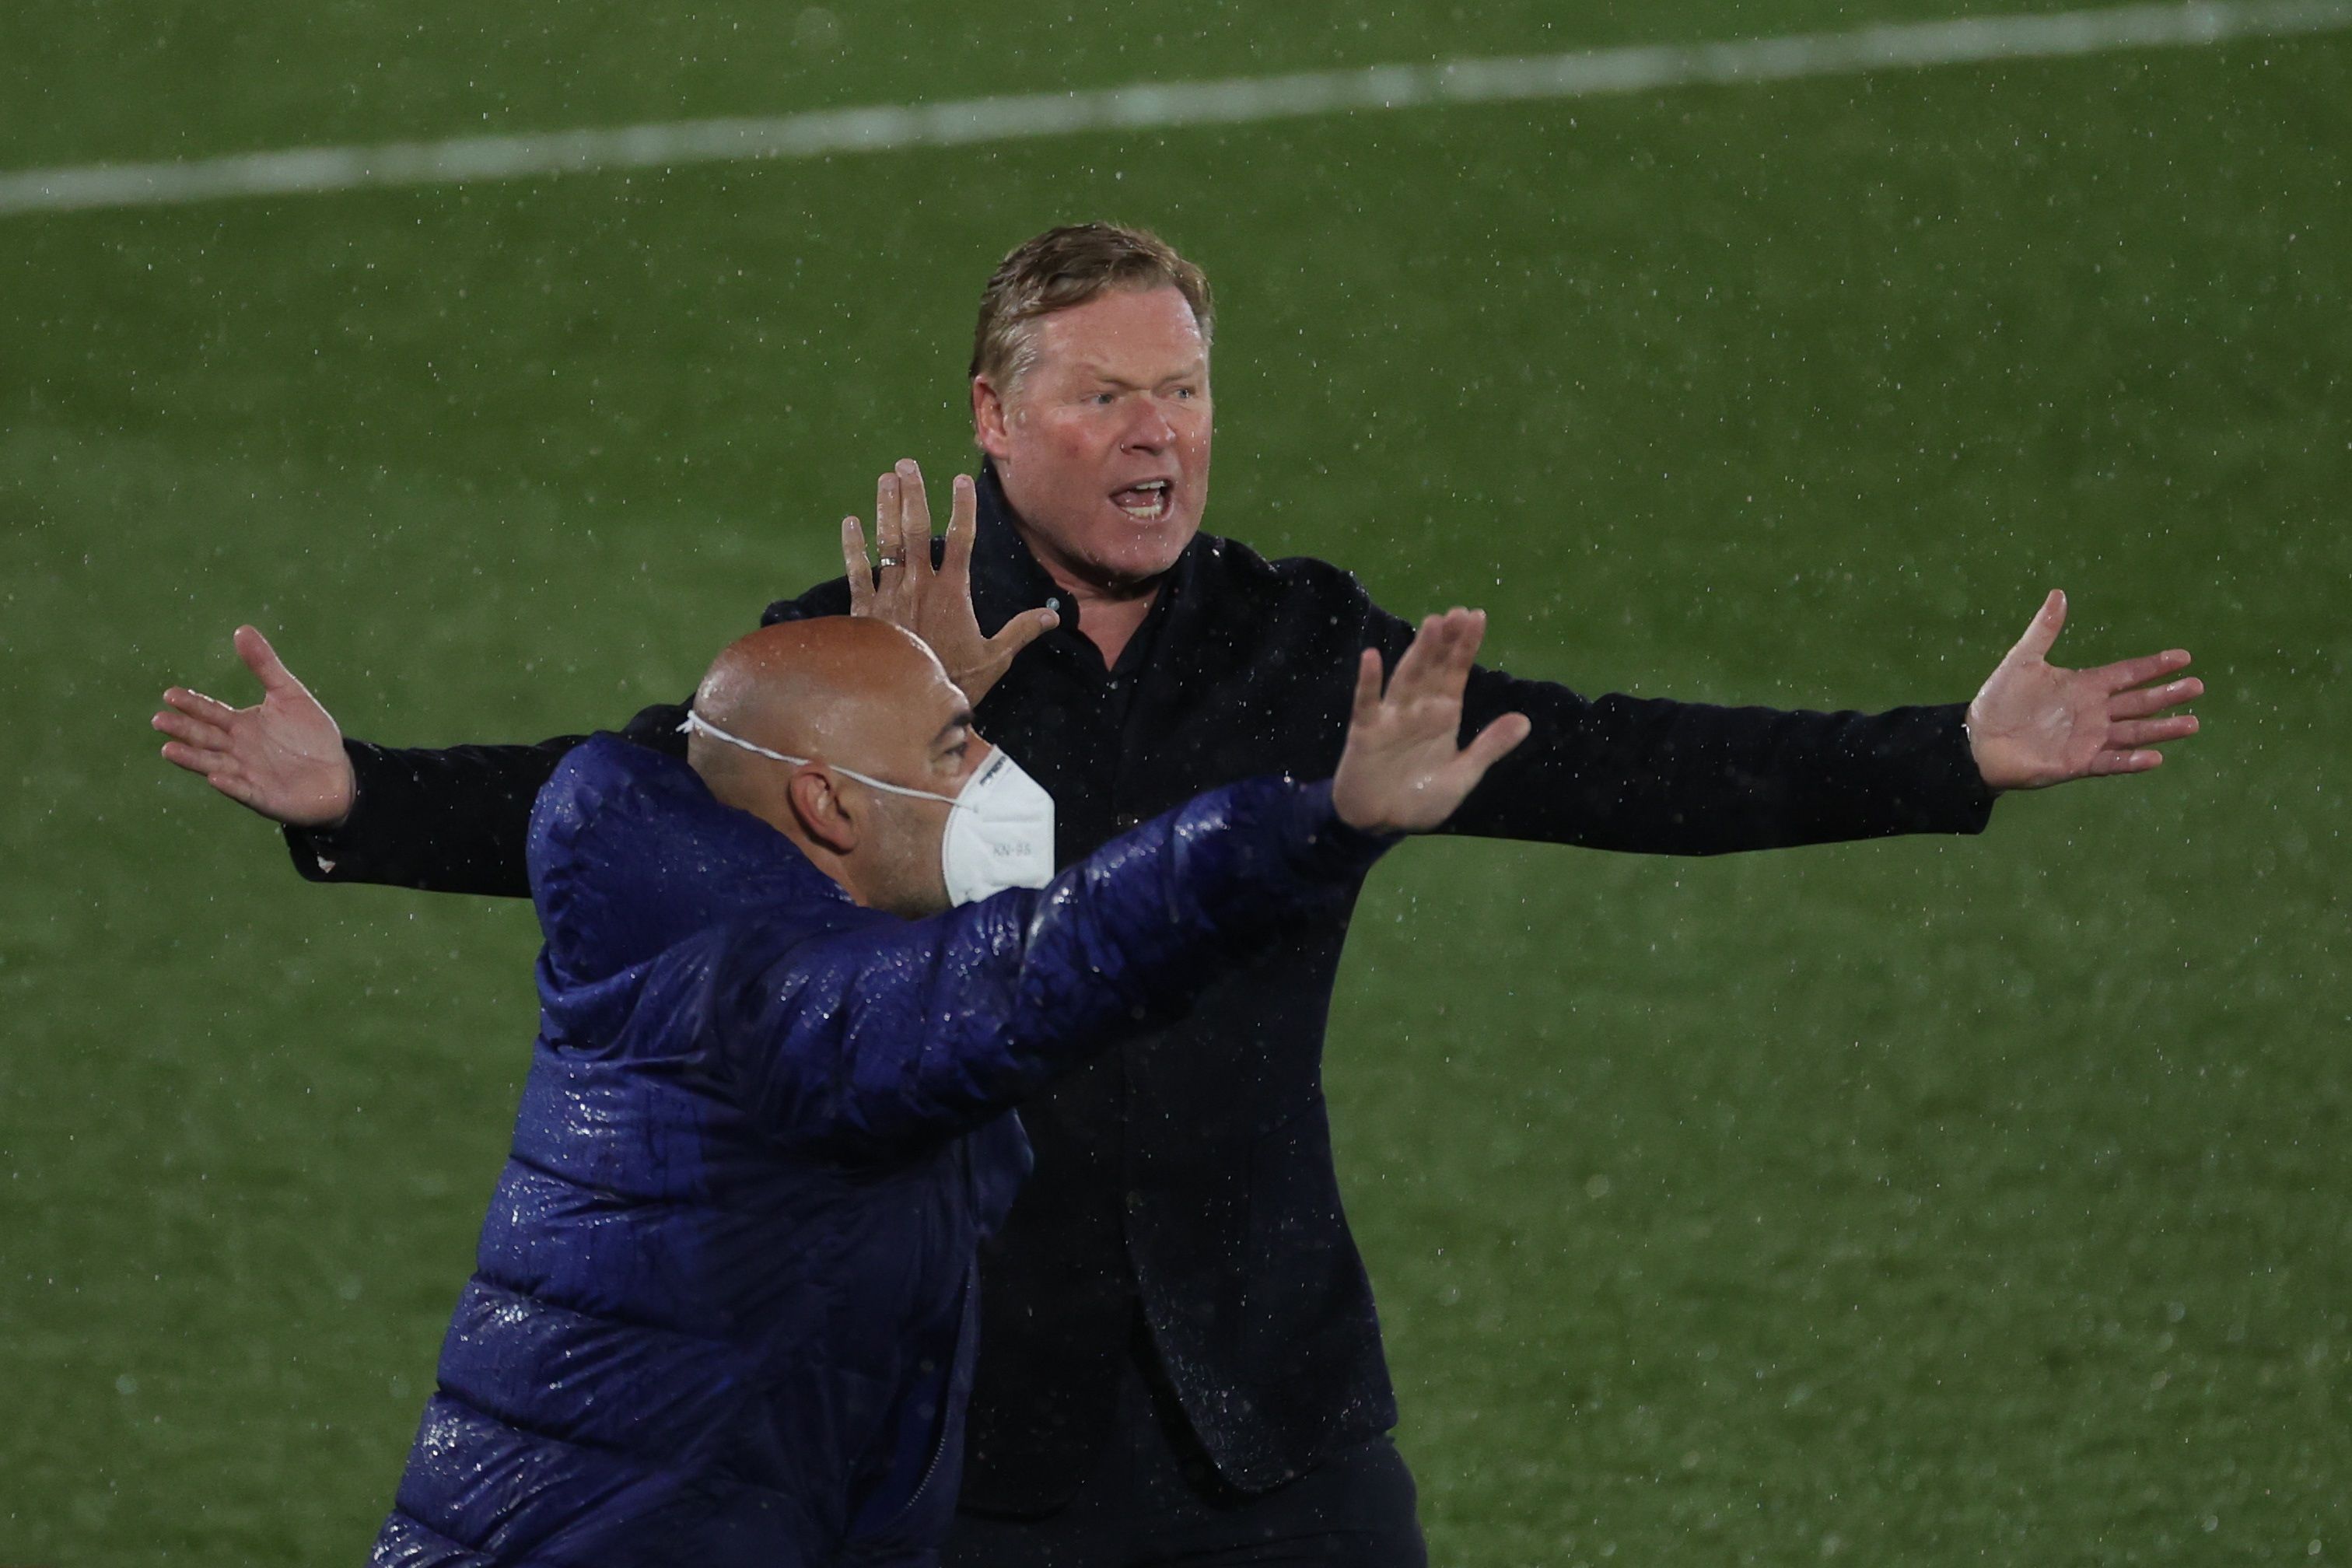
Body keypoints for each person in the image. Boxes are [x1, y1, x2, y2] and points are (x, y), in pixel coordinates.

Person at [155, 224, 2203, 1563]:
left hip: (1267, 1404)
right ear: (994, 417)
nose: (1158, 437)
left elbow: (1611, 758)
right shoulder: (879, 651)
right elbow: (643, 800)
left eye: (1186, 392)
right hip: (967, 1417)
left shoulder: (1308, 649)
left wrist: (1945, 749)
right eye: (1105, 395)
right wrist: (363, 796)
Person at [372, 608, 1527, 1567]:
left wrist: (897, 697)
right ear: (828, 805)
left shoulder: (672, 905)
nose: (997, 774)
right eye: (955, 746)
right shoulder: (797, 1014)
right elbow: (1048, 967)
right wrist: (1313, 826)